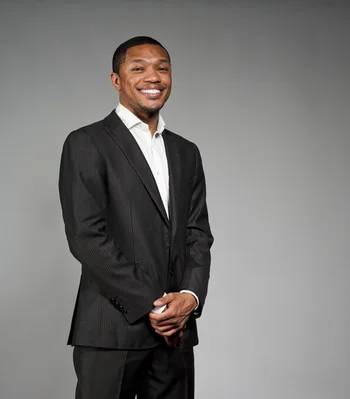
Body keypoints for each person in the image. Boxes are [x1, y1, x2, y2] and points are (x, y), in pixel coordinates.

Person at [58, 36, 214, 399]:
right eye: (138, 68)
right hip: (111, 329)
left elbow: (197, 233)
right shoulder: (87, 143)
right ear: (116, 80)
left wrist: (189, 298)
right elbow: (86, 237)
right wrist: (154, 304)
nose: (153, 77)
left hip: (175, 333)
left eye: (162, 68)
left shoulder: (186, 152)